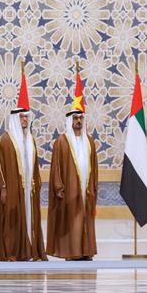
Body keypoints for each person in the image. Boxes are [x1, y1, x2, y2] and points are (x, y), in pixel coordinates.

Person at [0, 97, 45, 261]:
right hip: (13, 189)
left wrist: (37, 181)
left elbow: (34, 166)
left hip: (29, 189)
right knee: (12, 220)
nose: (25, 120)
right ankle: (13, 252)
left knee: (30, 218)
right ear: (15, 119)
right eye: (22, 117)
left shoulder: (30, 140)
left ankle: (30, 251)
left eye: (27, 117)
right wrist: (4, 187)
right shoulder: (5, 141)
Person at [47, 109, 98, 260]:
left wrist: (94, 186)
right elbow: (56, 167)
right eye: (75, 119)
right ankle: (72, 252)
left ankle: (86, 251)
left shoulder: (89, 142)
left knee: (86, 220)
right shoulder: (62, 142)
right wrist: (58, 186)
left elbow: (94, 167)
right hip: (69, 190)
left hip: (86, 190)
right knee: (72, 220)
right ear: (70, 121)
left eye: (80, 118)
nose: (78, 121)